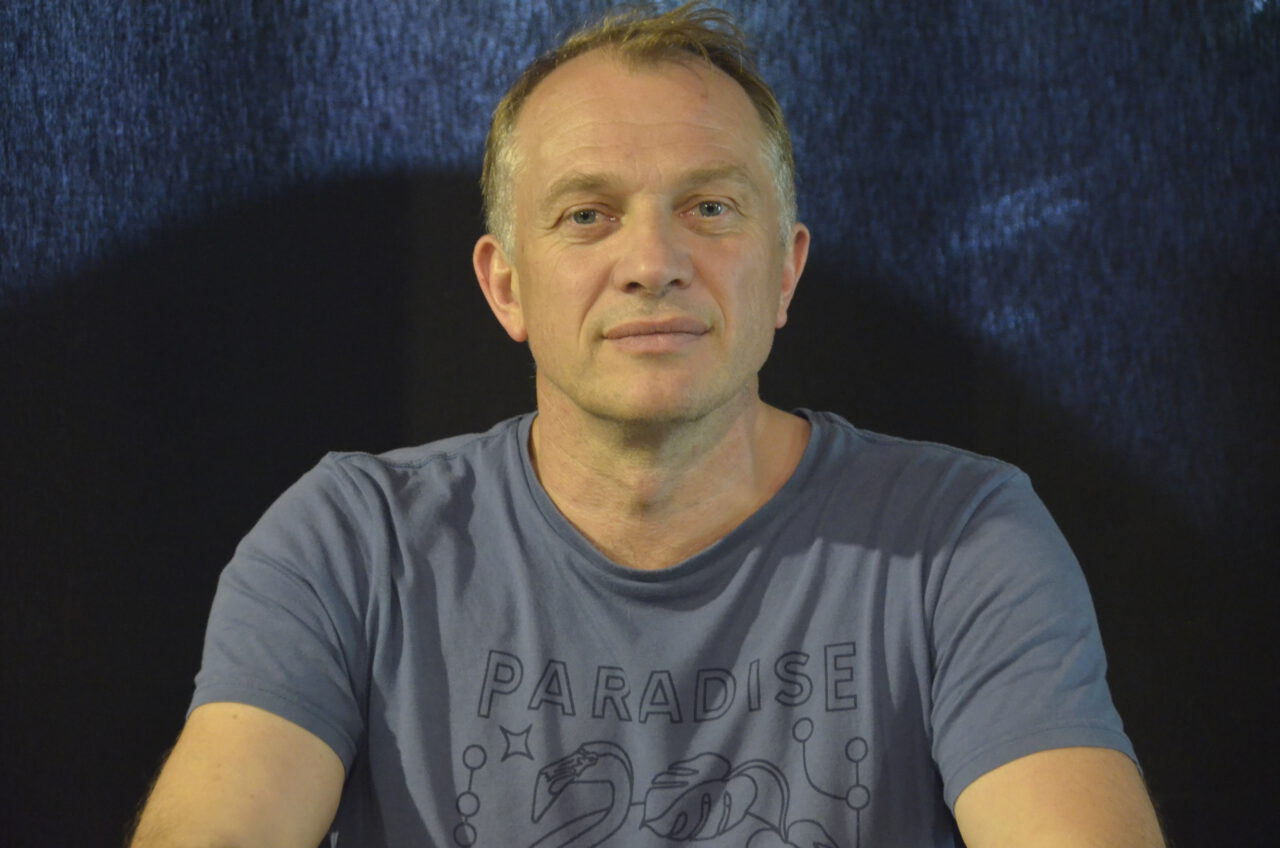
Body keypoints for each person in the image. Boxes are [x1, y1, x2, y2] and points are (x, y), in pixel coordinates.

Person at [130, 3, 1165, 846]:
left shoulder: (962, 537)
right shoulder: (350, 542)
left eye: (709, 208)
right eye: (587, 214)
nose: (653, 262)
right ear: (505, 285)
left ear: (785, 271)